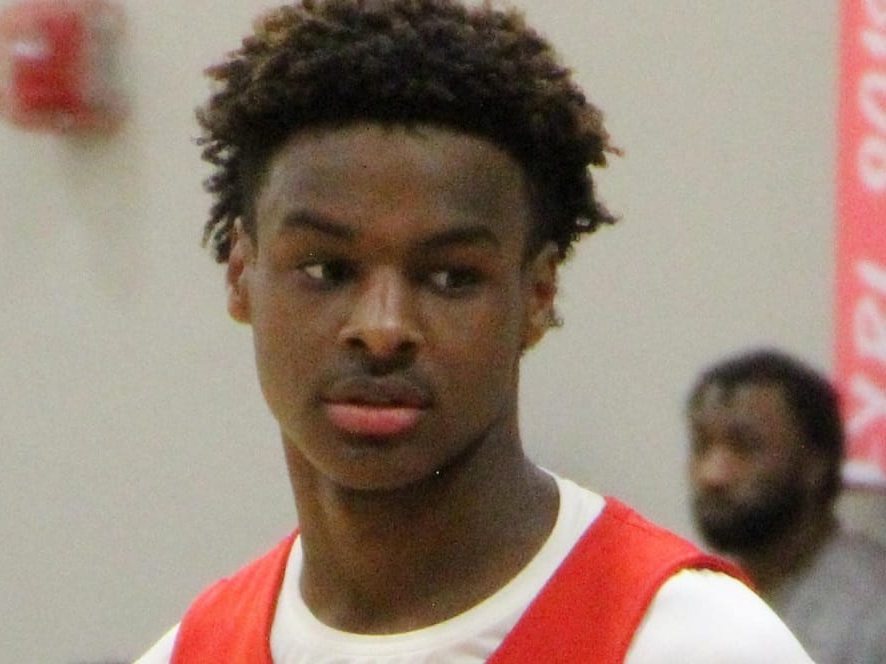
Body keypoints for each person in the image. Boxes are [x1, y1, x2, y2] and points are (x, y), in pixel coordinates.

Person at [136, 1, 813, 661]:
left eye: (450, 277)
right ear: (240, 273)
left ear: (538, 294)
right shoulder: (190, 652)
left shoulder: (694, 644)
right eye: (326, 268)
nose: (382, 328)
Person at [687, 348, 886, 664]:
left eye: (745, 447)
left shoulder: (872, 613)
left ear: (814, 465)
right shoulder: (692, 605)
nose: (714, 474)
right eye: (702, 446)